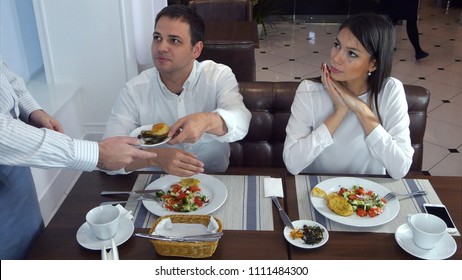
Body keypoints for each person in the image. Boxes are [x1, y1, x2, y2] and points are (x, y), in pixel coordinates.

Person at [0, 61, 158, 259]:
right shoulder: (136, 88)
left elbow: (5, 75)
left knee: (35, 248)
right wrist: (96, 154)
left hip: (17, 177)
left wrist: (31, 109)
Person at [102, 5, 251, 177]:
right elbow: (108, 157)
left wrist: (207, 121)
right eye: (157, 38)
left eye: (174, 40)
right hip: (154, 183)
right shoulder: (135, 90)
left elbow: (241, 121)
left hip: (214, 178)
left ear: (196, 49)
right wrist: (154, 159)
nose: (161, 47)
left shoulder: (217, 76)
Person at [282, 13, 414, 180]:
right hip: (320, 192)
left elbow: (400, 169)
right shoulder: (309, 91)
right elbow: (292, 164)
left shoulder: (390, 91)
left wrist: (360, 108)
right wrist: (340, 111)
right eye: (337, 45)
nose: (336, 58)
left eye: (352, 54)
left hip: (367, 196)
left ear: (373, 63)